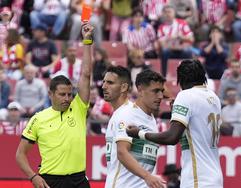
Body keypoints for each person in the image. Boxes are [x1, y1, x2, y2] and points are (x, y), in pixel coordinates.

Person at [15, 22, 94, 188]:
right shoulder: (38, 119)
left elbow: (86, 74)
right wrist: (33, 176)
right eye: (62, 94)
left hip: (79, 180)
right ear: (50, 94)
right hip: (49, 181)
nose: (67, 98)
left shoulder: (79, 108)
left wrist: (87, 41)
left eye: (69, 94)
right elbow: (20, 154)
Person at [127, 59, 223, 188]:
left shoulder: (186, 96)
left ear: (181, 79)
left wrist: (139, 133)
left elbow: (172, 137)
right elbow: (191, 135)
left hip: (198, 179)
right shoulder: (214, 98)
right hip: (215, 177)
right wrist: (176, 114)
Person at [104, 68, 166, 188]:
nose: (160, 96)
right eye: (155, 91)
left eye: (161, 91)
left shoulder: (151, 119)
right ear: (141, 91)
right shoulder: (127, 114)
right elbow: (122, 152)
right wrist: (148, 177)